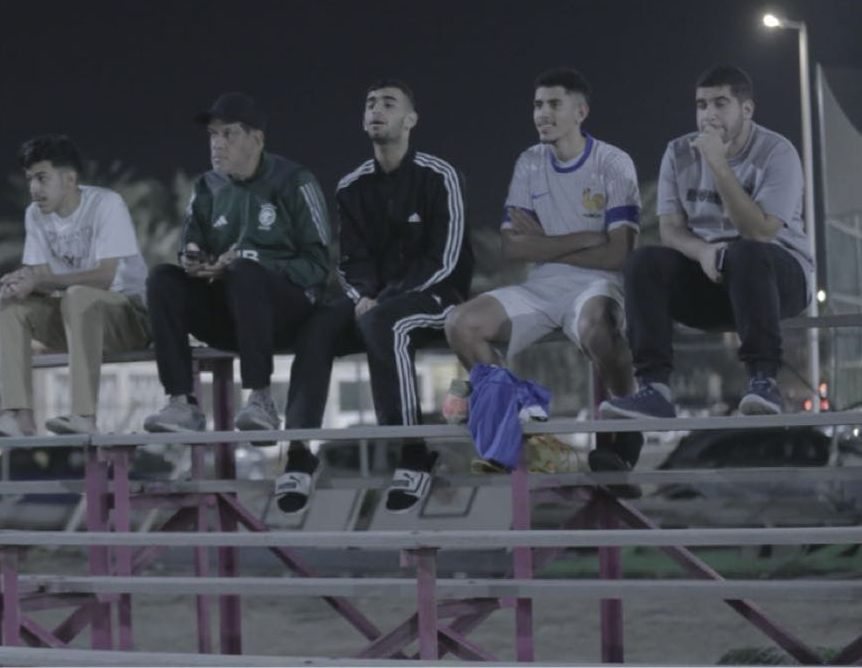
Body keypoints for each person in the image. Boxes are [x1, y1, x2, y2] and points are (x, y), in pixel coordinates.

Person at [276, 79, 474, 514]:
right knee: (318, 326)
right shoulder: (352, 186)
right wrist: (364, 294)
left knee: (384, 323)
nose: (376, 110)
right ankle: (299, 453)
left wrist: (384, 299)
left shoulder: (440, 175)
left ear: (410, 119)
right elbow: (350, 260)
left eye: (388, 103)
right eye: (369, 103)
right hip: (374, 303)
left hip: (437, 297)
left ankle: (413, 453)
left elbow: (445, 258)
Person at [443, 68, 643, 473]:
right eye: (537, 105)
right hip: (541, 286)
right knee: (460, 324)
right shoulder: (530, 161)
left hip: (597, 285)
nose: (542, 113)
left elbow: (618, 255)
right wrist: (585, 238)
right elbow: (512, 246)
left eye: (554, 104)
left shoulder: (613, 162)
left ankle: (625, 437)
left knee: (600, 331)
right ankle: (520, 415)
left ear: (580, 112)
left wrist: (546, 243)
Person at [600, 65, 813, 419]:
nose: (709, 115)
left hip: (777, 278)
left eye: (720, 104)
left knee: (745, 252)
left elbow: (759, 231)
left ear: (746, 109)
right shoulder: (678, 152)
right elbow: (670, 229)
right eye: (701, 105)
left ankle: (763, 381)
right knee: (643, 262)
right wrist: (702, 252)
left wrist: (718, 164)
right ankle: (654, 389)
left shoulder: (778, 152)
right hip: (713, 275)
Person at [142, 92, 331, 433]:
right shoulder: (207, 186)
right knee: (162, 279)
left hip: (286, 315)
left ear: (256, 139)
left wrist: (250, 262)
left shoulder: (294, 181)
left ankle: (261, 400)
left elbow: (318, 266)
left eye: (228, 133)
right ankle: (181, 403)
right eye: (213, 134)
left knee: (243, 271)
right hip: (230, 314)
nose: (217, 144)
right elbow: (190, 241)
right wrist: (193, 258)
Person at [0, 135, 150, 437]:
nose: (34, 189)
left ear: (69, 179)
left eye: (42, 178)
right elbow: (43, 277)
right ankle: (18, 416)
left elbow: (105, 277)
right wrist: (23, 282)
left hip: (131, 321)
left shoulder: (106, 204)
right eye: (30, 179)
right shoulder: (35, 215)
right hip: (77, 323)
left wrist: (40, 279)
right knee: (9, 302)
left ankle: (84, 416)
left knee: (78, 295)